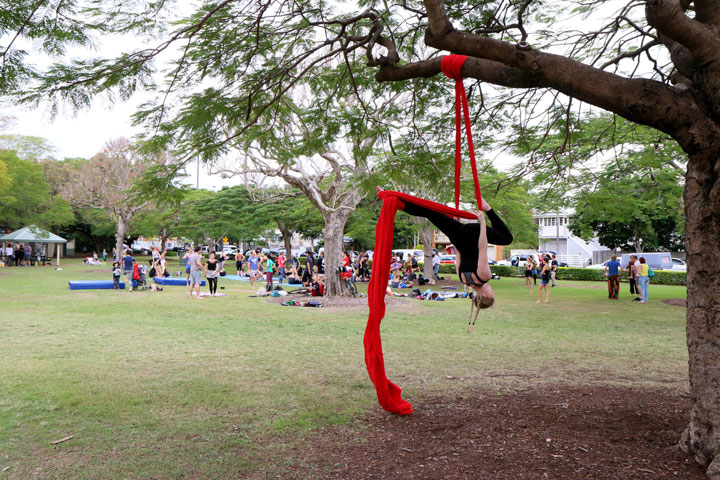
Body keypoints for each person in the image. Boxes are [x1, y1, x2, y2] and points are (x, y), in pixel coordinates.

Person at [380, 187, 513, 309]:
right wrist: (455, 226)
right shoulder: (464, 280)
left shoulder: (484, 276)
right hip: (457, 236)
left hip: (473, 234)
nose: (492, 290)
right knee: (430, 212)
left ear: (488, 295)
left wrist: (482, 222)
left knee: (507, 239)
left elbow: (482, 247)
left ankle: (488, 208)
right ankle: (398, 203)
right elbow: (458, 252)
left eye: (492, 293)